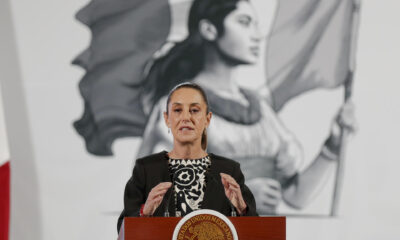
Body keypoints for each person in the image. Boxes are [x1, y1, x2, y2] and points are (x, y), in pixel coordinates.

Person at [136, 0, 356, 215]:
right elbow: (156, 195)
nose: (256, 35)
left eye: (255, 24)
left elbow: (294, 196)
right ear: (209, 29)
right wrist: (235, 196)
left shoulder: (260, 110)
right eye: (244, 22)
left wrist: (332, 146)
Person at [117, 83, 257, 232]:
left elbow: (256, 231)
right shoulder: (146, 169)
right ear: (166, 119)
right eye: (177, 110)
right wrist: (144, 212)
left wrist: (242, 209)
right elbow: (123, 230)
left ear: (207, 119)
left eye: (194, 110)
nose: (186, 117)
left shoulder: (229, 170)